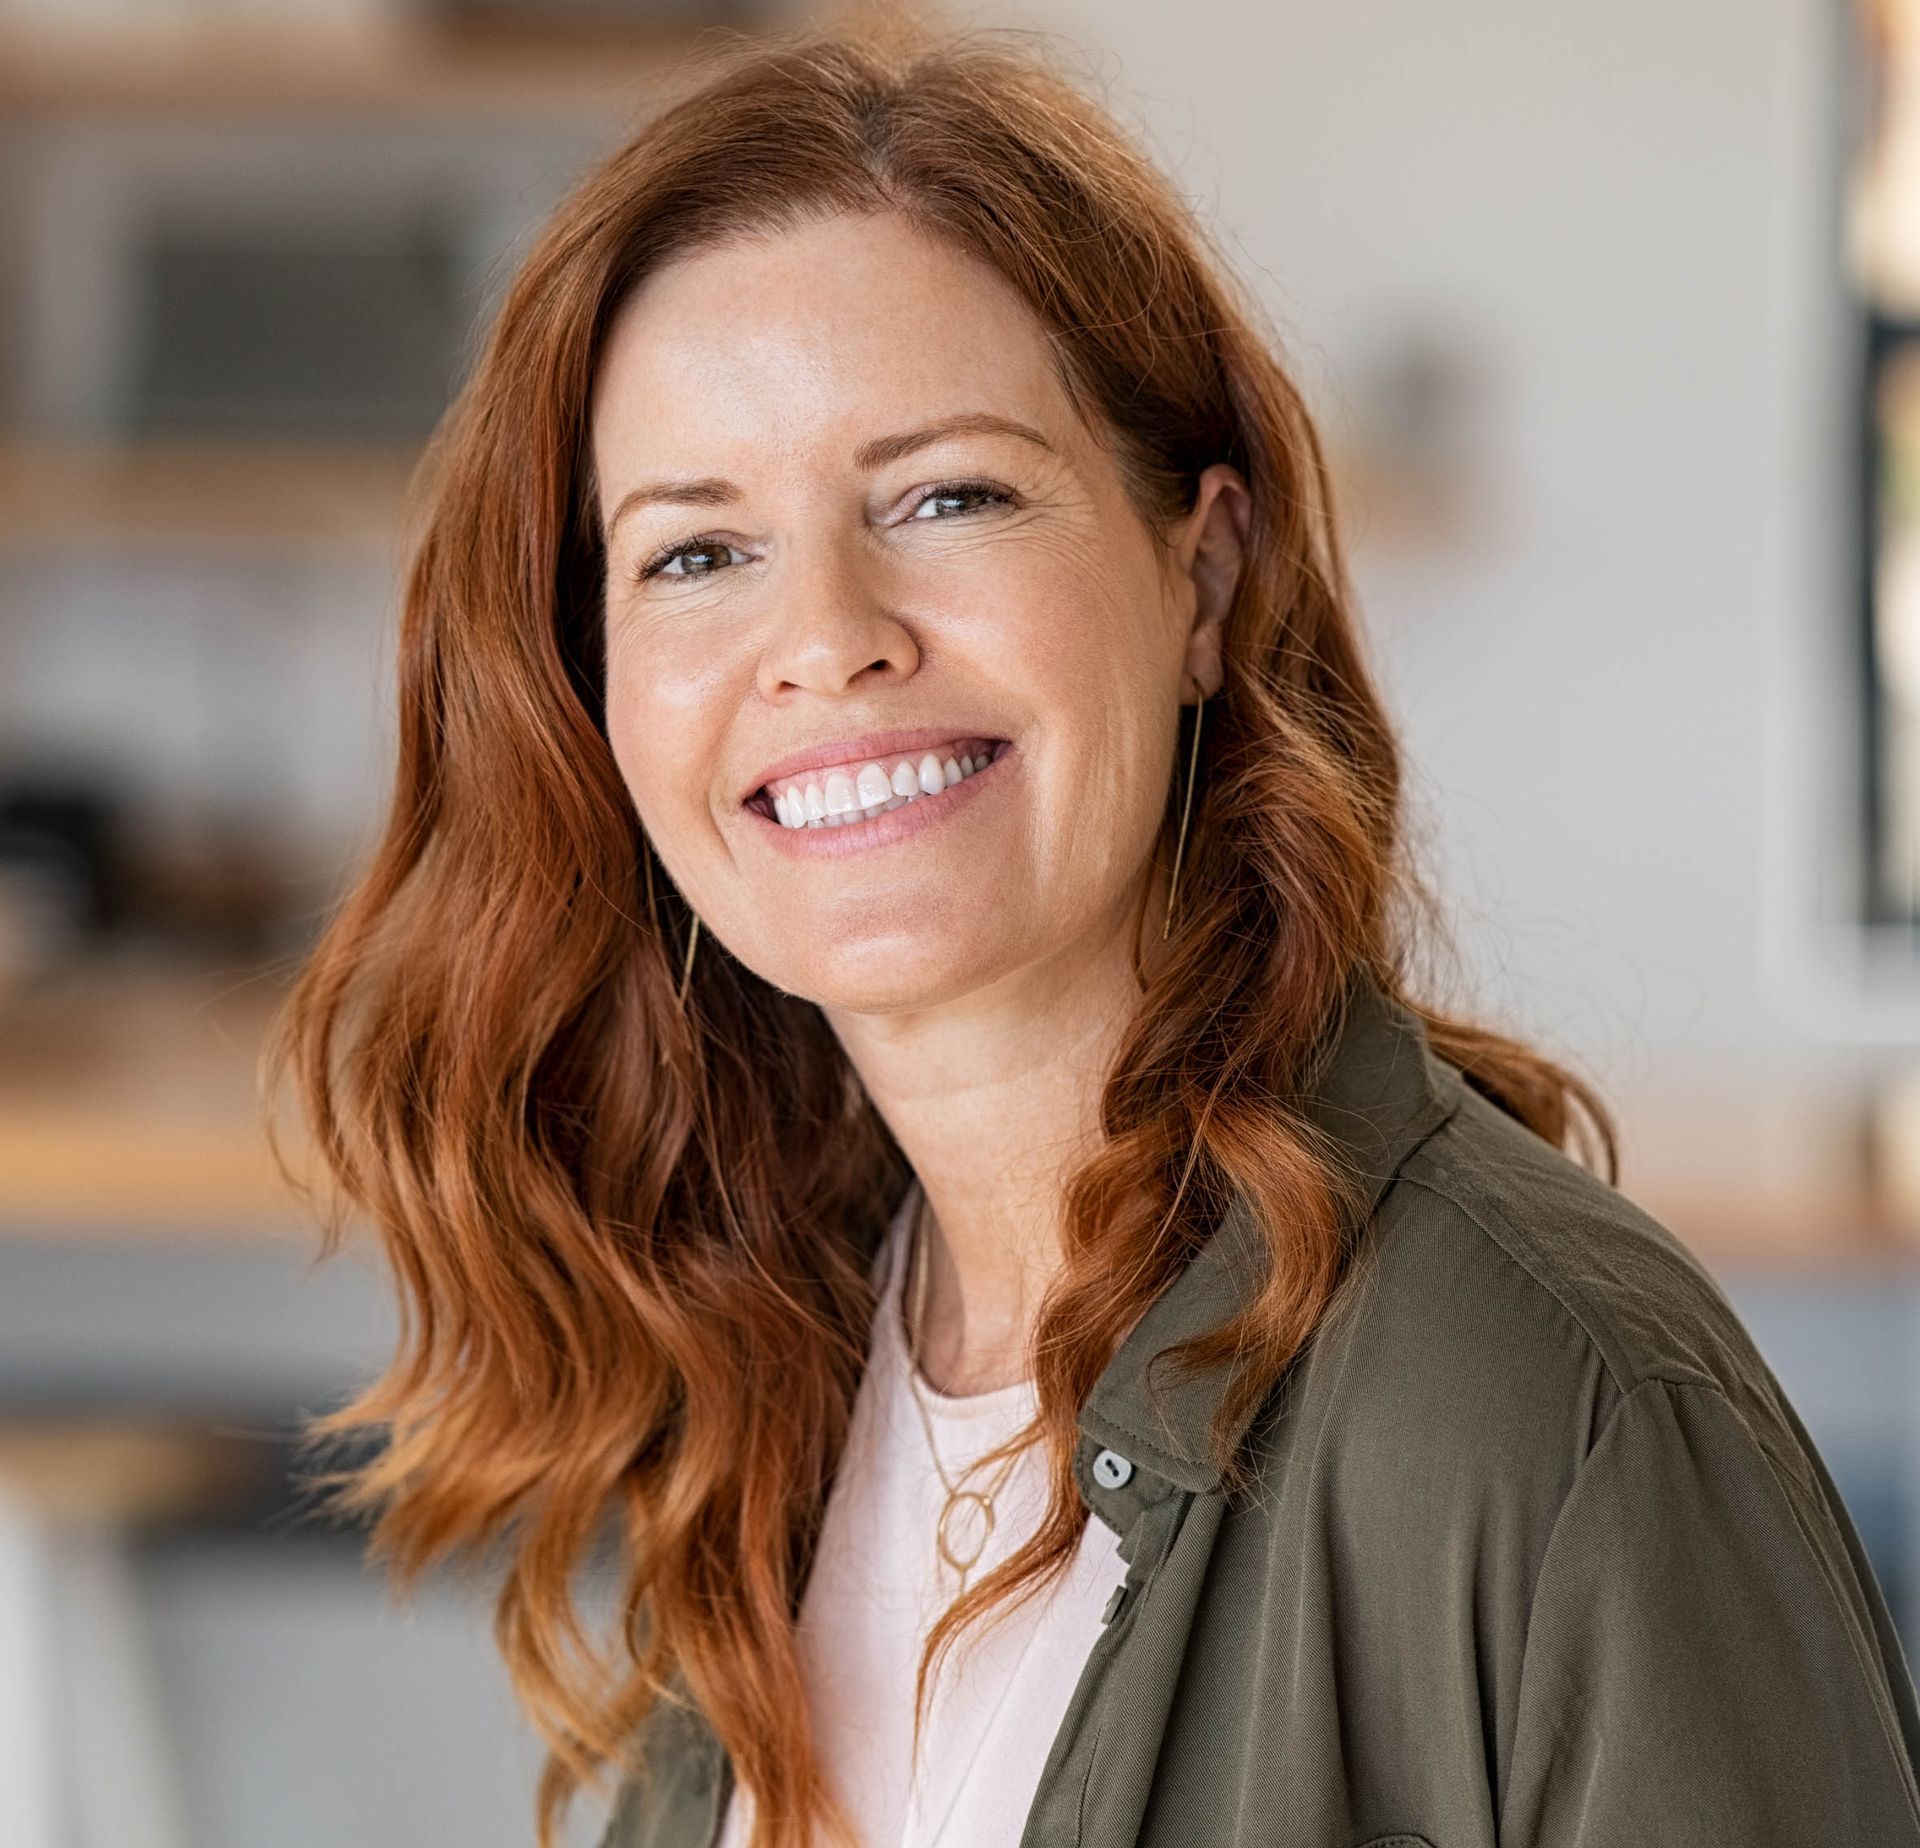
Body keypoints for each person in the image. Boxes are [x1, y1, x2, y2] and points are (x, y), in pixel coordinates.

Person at [265, 18, 1920, 1848]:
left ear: (1199, 578)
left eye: (947, 496)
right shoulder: (761, 1365)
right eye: (693, 552)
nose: (825, 637)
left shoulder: (1550, 1416)